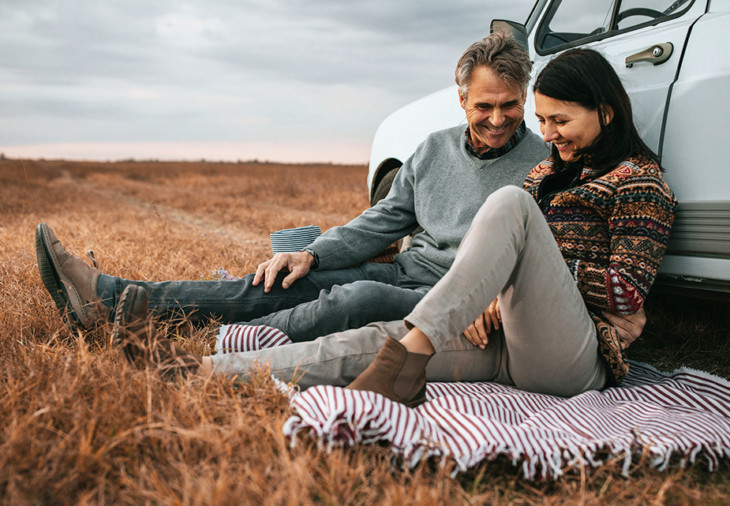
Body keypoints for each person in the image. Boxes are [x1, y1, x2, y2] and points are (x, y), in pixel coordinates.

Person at [113, 48, 672, 401]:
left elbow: (624, 292)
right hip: (501, 336)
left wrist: (515, 281)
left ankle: (418, 340)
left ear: (606, 112)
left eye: (558, 120)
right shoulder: (545, 173)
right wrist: (491, 296)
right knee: (369, 344)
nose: (547, 133)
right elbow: (403, 225)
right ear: (462, 101)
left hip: (573, 359)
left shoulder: (638, 182)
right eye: (544, 120)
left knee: (504, 208)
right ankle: (195, 369)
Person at [36, 32, 549, 345]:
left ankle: (217, 342)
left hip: (459, 296)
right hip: (405, 271)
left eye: (509, 105)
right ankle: (113, 297)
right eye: (485, 106)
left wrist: (494, 296)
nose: (498, 119)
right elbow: (384, 219)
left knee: (356, 297)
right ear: (461, 100)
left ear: (524, 96)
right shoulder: (433, 149)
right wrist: (312, 254)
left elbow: (545, 252)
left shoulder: (545, 164)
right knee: (281, 281)